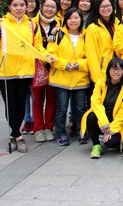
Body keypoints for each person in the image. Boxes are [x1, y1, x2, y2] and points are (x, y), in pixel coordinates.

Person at [0, 0, 52, 153]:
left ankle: (14, 134)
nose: (19, 8)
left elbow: (37, 46)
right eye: (15, 5)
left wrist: (46, 56)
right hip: (5, 71)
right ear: (9, 7)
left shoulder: (32, 25)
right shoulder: (2, 24)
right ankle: (17, 135)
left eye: (22, 5)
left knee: (21, 105)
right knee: (10, 105)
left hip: (25, 71)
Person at [47, 8, 89, 147]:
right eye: (70, 18)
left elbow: (91, 57)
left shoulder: (86, 36)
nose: (73, 21)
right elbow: (50, 54)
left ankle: (81, 131)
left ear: (81, 20)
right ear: (66, 20)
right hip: (61, 78)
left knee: (80, 108)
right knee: (62, 108)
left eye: (76, 18)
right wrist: (64, 65)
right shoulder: (58, 34)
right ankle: (60, 133)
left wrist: (78, 65)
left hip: (80, 78)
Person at [81, 57, 123, 157]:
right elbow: (95, 103)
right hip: (102, 121)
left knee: (111, 143)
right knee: (91, 116)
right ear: (108, 71)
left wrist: (111, 130)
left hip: (116, 123)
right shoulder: (100, 84)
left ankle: (109, 138)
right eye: (113, 69)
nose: (116, 72)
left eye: (119, 69)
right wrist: (104, 123)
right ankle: (96, 145)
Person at [31, 0, 61, 144]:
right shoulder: (32, 23)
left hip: (54, 66)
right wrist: (46, 55)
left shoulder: (59, 24)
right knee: (37, 99)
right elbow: (34, 44)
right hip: (38, 65)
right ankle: (38, 128)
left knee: (52, 98)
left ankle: (48, 127)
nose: (49, 9)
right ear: (41, 7)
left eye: (53, 7)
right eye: (47, 6)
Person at [85, 0, 119, 84]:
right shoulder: (92, 28)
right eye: (102, 7)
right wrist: (97, 79)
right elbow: (91, 55)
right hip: (102, 74)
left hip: (117, 72)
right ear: (98, 9)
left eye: (108, 6)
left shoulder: (117, 24)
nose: (106, 9)